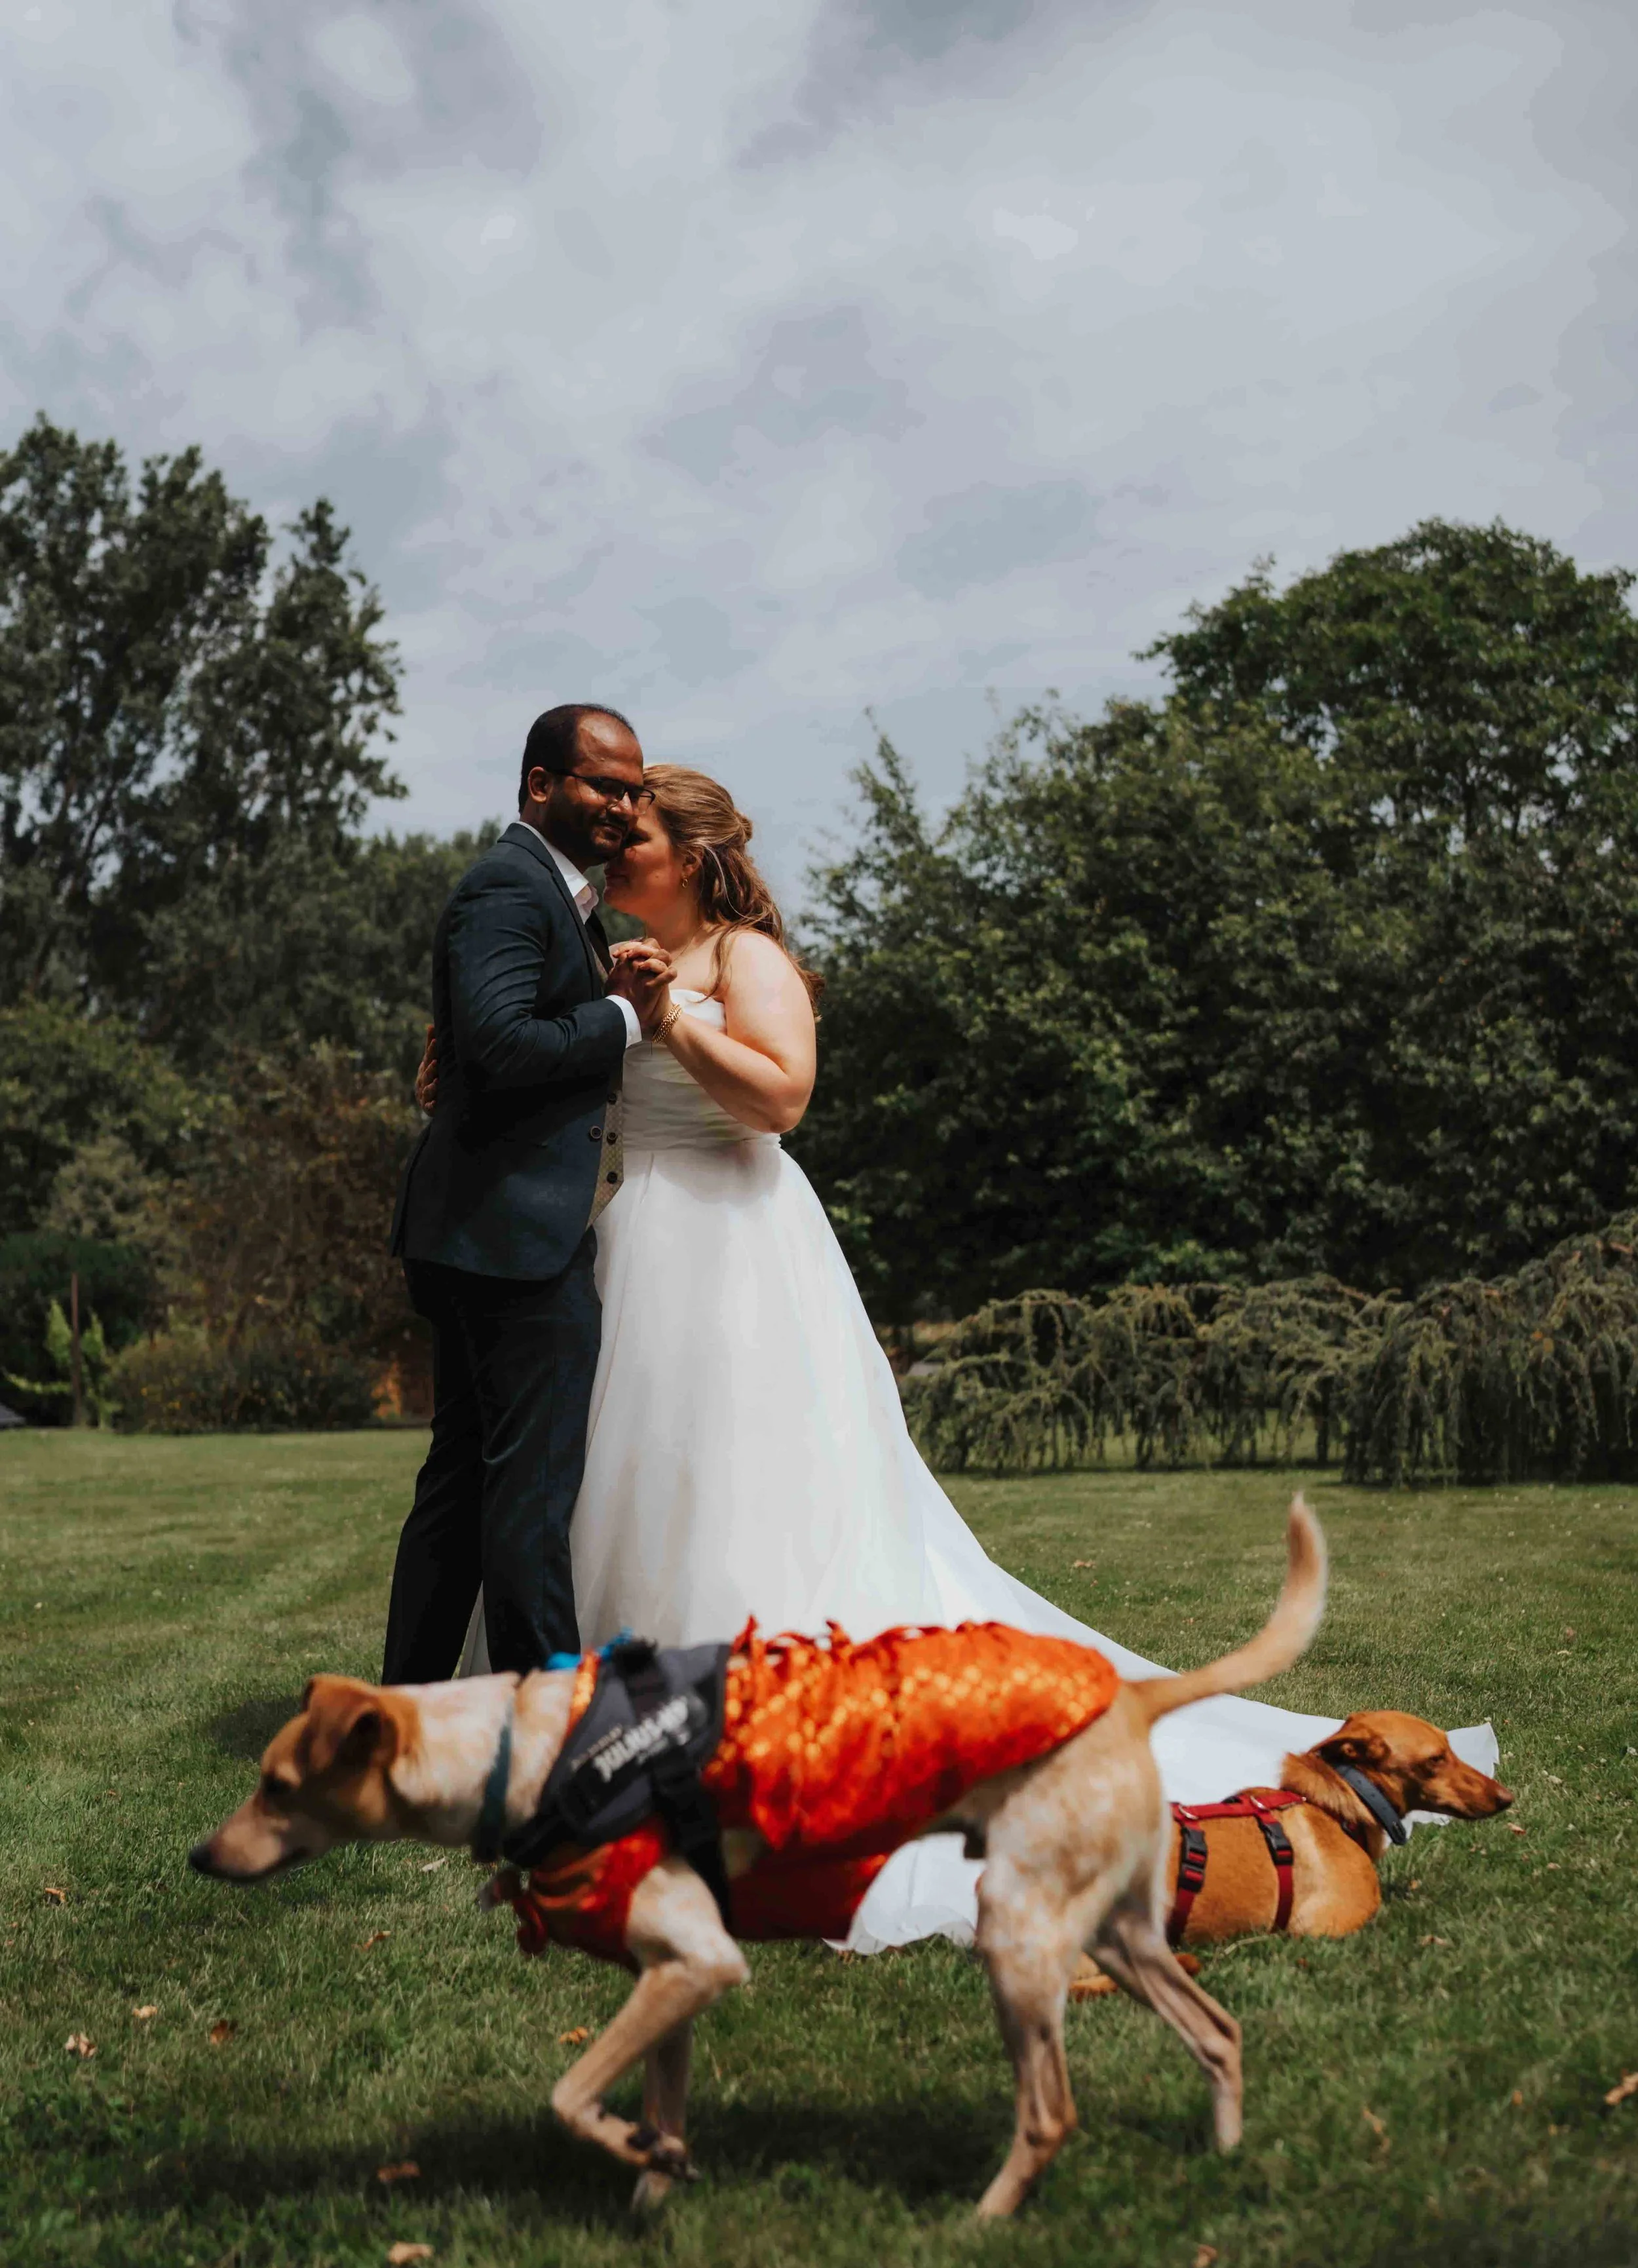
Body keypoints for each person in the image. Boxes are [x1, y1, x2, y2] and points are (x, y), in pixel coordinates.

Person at [427, 760, 1498, 1951]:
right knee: (619, 1489)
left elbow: (782, 1100)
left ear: (689, 855)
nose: (612, 845)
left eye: (634, 833)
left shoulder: (744, 959)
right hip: (632, 1243)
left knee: (739, 1492)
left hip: (738, 1252)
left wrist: (672, 1018)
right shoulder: (599, 953)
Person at [381, 704, 674, 1685]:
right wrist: (624, 1019)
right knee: (527, 1497)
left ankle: (411, 1712)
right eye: (605, 784)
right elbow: (504, 1045)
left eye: (635, 790)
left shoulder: (554, 896)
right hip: (512, 1239)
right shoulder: (510, 886)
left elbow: (488, 1044)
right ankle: (548, 1727)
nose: (625, 806)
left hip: (484, 1230)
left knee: (465, 1486)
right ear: (541, 785)